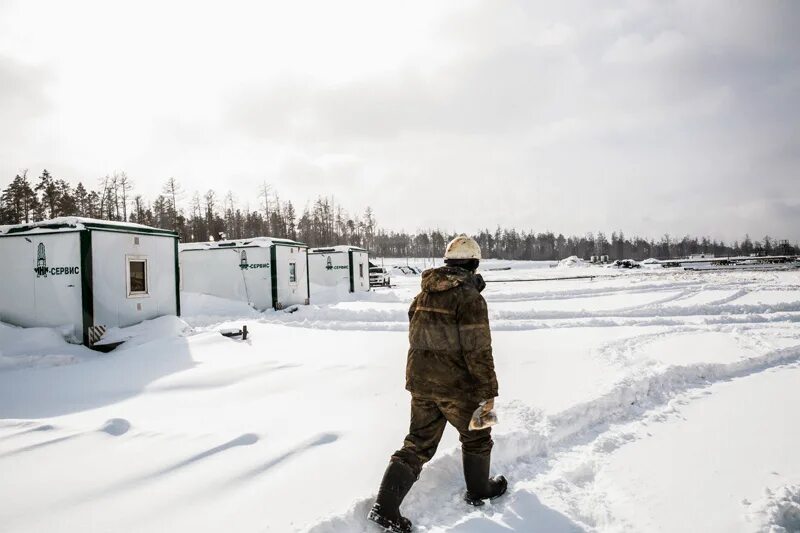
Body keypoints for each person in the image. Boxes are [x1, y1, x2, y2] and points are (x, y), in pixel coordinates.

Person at [367, 235, 507, 533]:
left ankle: (386, 508)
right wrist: (488, 393)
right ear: (473, 263)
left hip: (421, 383)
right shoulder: (469, 299)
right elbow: (478, 350)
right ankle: (479, 491)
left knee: (417, 444)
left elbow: (415, 329)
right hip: (457, 387)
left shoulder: (423, 294)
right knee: (478, 437)